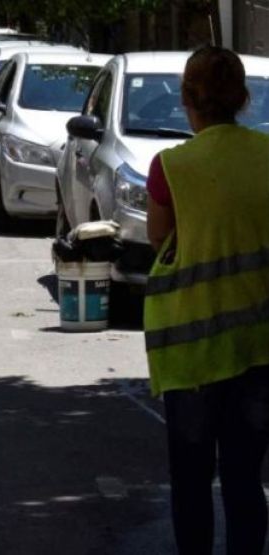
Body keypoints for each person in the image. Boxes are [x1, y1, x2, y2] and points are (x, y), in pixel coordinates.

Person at [145, 46, 269, 555]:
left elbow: (159, 240)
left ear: (186, 99)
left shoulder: (171, 167)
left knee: (192, 482)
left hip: (191, 355)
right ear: (242, 98)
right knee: (245, 479)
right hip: (258, 349)